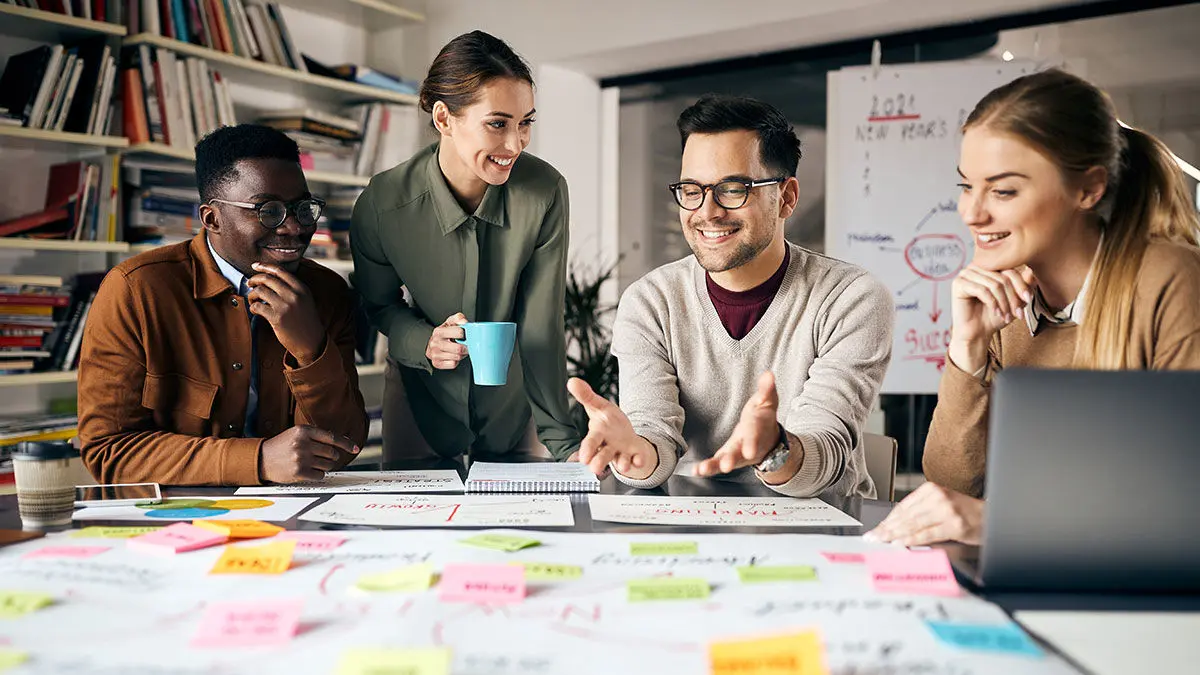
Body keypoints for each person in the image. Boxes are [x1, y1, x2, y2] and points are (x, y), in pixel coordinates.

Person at [867, 69, 1200, 546]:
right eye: (966, 186)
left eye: (1002, 191)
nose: (971, 213)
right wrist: (969, 348)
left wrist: (999, 523)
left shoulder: (1171, 279)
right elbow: (952, 486)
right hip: (1036, 575)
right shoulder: (1009, 305)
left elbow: (1182, 504)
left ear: (1087, 189)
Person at [568, 94, 894, 497]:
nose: (707, 212)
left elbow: (826, 452)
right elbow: (653, 435)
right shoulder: (650, 301)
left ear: (787, 198)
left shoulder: (851, 299)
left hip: (817, 528)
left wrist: (773, 450)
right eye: (692, 189)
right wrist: (637, 452)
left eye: (733, 189)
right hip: (689, 528)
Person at [78, 124, 368, 486]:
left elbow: (345, 444)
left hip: (294, 518)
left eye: (302, 209)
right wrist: (257, 460)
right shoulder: (136, 290)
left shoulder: (327, 291)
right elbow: (108, 452)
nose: (294, 227)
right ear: (212, 218)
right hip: (177, 520)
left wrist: (310, 351)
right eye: (268, 210)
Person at [351, 31, 580, 463]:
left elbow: (541, 322)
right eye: (498, 123)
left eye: (525, 122)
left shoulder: (545, 190)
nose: (515, 144)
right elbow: (377, 305)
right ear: (444, 119)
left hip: (516, 404)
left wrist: (563, 442)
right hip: (422, 399)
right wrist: (423, 342)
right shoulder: (383, 203)